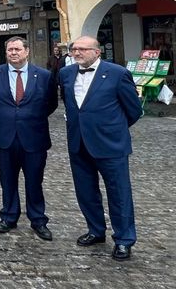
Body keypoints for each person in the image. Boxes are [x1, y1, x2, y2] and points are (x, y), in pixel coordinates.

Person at [60, 35, 141, 261]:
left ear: (97, 52)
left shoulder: (117, 73)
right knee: (86, 192)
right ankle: (96, 230)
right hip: (78, 143)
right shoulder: (66, 74)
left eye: (83, 49)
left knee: (119, 193)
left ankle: (124, 239)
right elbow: (71, 106)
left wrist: (111, 129)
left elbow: (133, 109)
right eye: (74, 49)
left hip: (111, 145)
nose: (77, 53)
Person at [0, 36, 57, 240]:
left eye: (17, 49)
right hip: (5, 136)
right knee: (7, 179)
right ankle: (9, 216)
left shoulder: (43, 76)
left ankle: (38, 219)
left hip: (34, 136)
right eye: (10, 50)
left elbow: (50, 103)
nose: (13, 53)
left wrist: (29, 117)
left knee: (34, 180)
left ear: (27, 51)